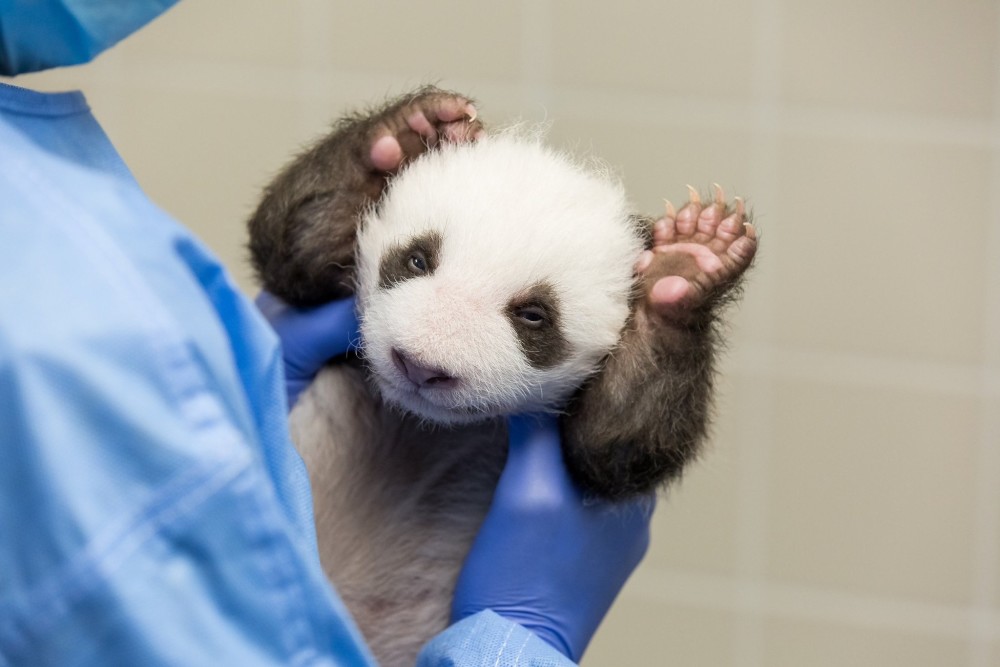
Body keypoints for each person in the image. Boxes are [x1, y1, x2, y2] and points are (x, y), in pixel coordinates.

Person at [0, 2, 653, 665]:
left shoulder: (38, 197)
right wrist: (516, 640)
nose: (429, 351)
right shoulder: (48, 336)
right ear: (371, 221)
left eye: (532, 316)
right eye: (417, 261)